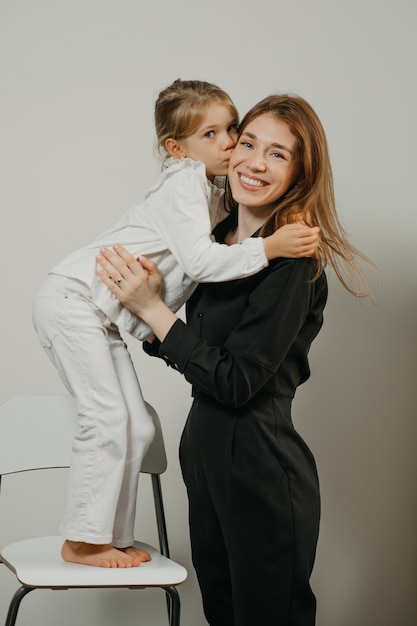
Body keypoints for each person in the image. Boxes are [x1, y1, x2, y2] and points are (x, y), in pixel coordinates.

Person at [96, 93, 372, 623]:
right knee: (221, 613)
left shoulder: (293, 263)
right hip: (202, 453)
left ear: (300, 172)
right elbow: (198, 352)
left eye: (278, 154)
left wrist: (155, 314)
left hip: (258, 462)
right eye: (247, 143)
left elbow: (237, 382)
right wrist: (151, 306)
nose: (253, 162)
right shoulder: (214, 244)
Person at [32, 80, 320, 569]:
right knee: (105, 418)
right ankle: (83, 539)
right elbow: (200, 270)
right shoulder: (188, 188)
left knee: (138, 428)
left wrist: (151, 311)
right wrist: (265, 248)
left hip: (248, 454)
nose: (234, 147)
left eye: (234, 130)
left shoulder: (229, 218)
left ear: (298, 171)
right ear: (177, 148)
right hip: (73, 301)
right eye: (231, 138)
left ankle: (108, 536)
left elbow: (226, 370)